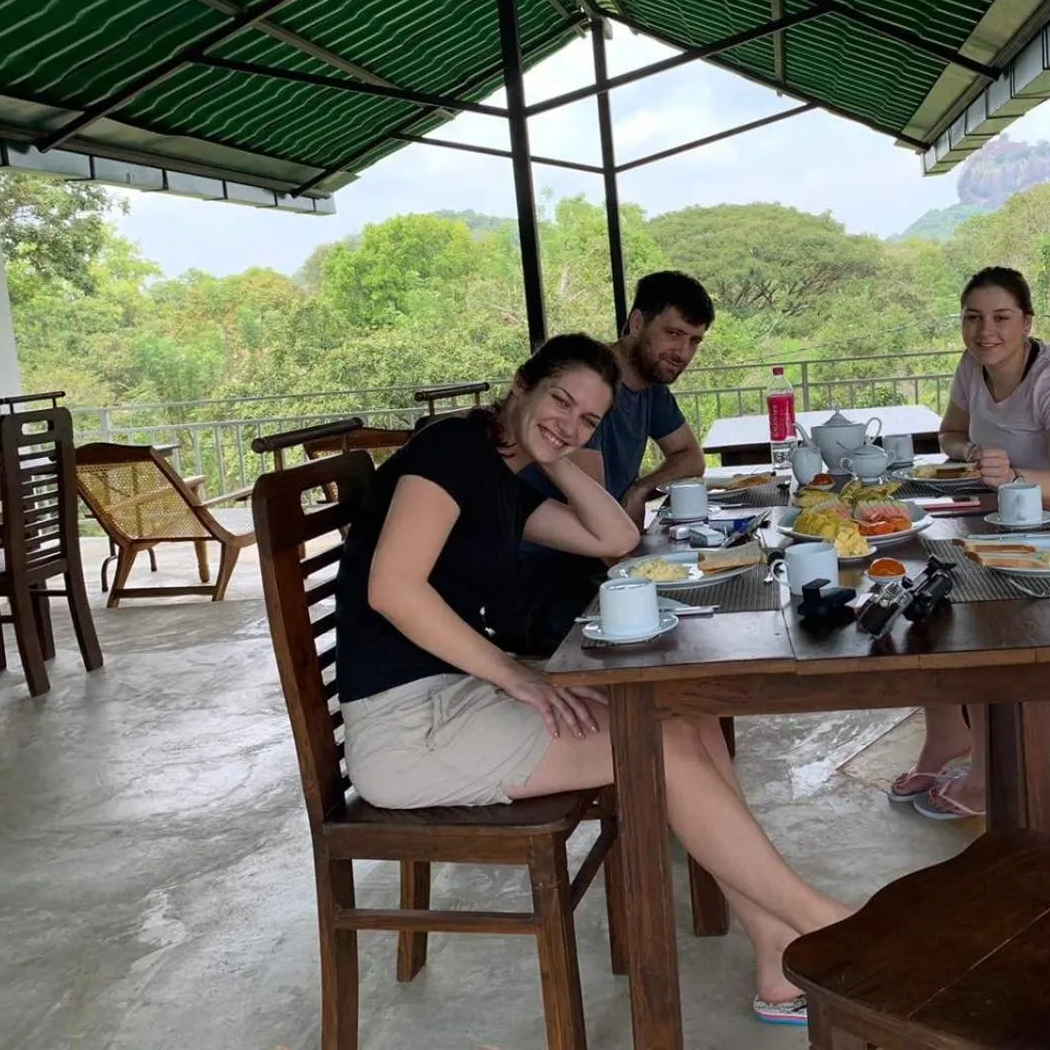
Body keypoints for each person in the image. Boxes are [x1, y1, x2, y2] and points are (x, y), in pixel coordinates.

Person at [335, 333, 844, 1024]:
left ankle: (779, 953)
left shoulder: (503, 476)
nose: (569, 423)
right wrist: (516, 675)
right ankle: (827, 928)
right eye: (559, 400)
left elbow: (615, 539)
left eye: (588, 419)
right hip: (407, 732)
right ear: (521, 384)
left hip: (453, 699)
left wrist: (558, 452)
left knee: (684, 714)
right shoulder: (450, 450)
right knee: (656, 747)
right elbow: (393, 588)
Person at [894, 266, 1050, 820]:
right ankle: (947, 736)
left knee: (987, 608)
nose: (985, 332)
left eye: (1001, 318)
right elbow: (950, 434)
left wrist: (1010, 475)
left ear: (1027, 322)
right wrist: (972, 454)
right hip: (1027, 515)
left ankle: (992, 774)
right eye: (973, 318)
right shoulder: (973, 366)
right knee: (933, 579)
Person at [488, 271, 714, 658]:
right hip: (536, 577)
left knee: (694, 615)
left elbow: (691, 457)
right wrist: (658, 578)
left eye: (694, 341)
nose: (682, 352)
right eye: (673, 333)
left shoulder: (650, 389)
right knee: (667, 636)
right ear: (637, 322)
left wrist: (640, 488)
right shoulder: (591, 392)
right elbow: (597, 529)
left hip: (591, 561)